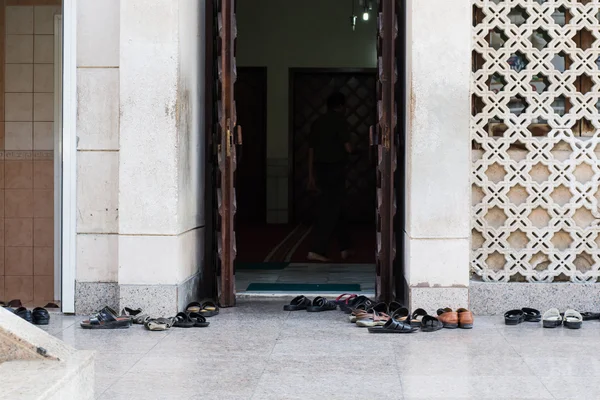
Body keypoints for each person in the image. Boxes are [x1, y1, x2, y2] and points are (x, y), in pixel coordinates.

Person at [306, 92, 354, 262]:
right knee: (330, 209)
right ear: (341, 106)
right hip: (336, 168)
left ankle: (345, 247)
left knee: (337, 206)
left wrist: (311, 175)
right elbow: (347, 147)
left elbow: (311, 150)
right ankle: (317, 249)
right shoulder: (340, 121)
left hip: (320, 169)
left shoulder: (317, 122)